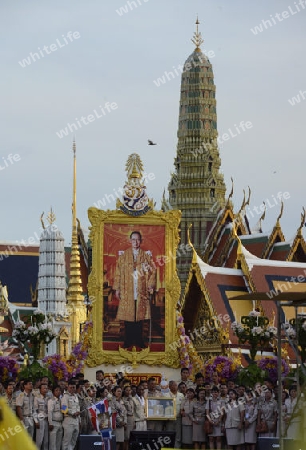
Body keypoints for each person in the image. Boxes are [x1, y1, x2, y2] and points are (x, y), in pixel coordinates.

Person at [114, 231, 156, 348]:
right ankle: (128, 340)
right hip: (127, 289)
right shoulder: (123, 256)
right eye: (133, 239)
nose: (135, 242)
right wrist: (117, 289)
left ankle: (138, 340)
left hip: (141, 290)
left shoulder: (146, 256)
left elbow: (153, 270)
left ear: (141, 241)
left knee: (139, 316)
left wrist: (150, 285)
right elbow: (118, 273)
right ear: (130, 240)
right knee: (128, 316)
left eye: (137, 240)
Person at [61, 380, 80, 450]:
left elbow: (78, 406)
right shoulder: (65, 397)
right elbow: (63, 409)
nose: (72, 389)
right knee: (66, 440)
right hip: (68, 419)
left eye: (74, 387)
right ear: (68, 388)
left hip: (76, 420)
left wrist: (78, 412)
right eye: (71, 387)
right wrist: (72, 413)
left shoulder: (76, 396)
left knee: (73, 440)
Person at [48, 385, 63, 450]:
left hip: (60, 423)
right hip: (54, 422)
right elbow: (49, 412)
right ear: (53, 392)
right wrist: (50, 423)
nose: (58, 392)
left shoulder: (62, 400)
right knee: (53, 442)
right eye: (56, 390)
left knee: (59, 442)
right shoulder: (51, 401)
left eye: (59, 390)